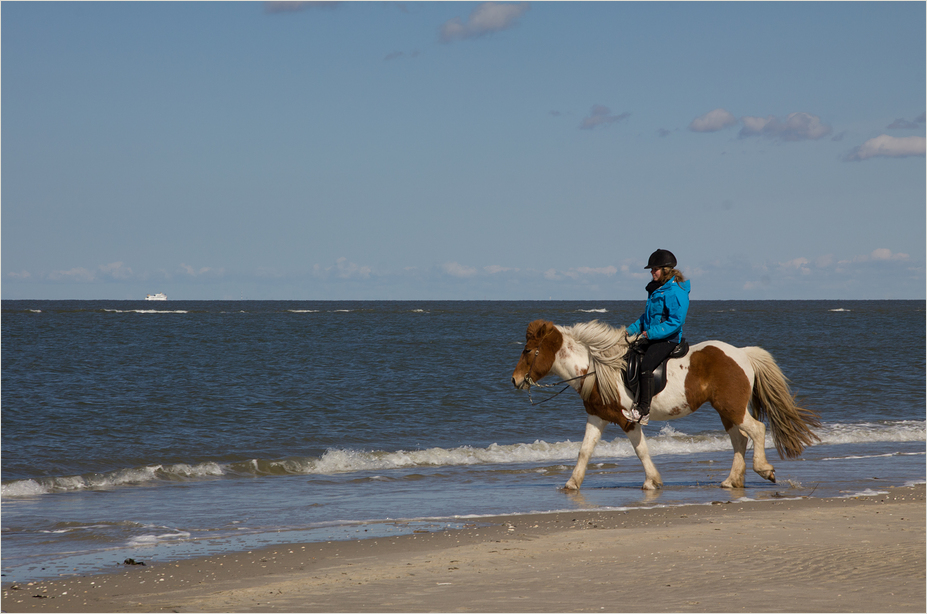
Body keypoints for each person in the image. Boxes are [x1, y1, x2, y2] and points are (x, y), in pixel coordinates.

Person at [622, 249, 690, 426]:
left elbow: (676, 321)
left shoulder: (675, 291)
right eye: (651, 270)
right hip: (652, 337)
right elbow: (646, 318)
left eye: (655, 269)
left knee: (646, 366)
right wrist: (628, 331)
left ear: (666, 270)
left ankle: (643, 410)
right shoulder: (657, 290)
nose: (652, 272)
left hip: (668, 339)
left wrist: (650, 333)